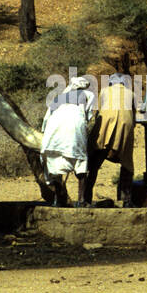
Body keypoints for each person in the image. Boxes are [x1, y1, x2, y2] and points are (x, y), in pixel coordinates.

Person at [40, 75, 96, 207]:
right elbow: (87, 115)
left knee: (55, 163)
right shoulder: (88, 94)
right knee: (80, 162)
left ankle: (58, 200)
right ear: (83, 86)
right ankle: (81, 201)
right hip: (74, 126)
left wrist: (45, 133)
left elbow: (47, 118)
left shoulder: (59, 97)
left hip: (53, 130)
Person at [83, 73, 136, 207]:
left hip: (105, 126)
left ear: (111, 83)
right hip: (125, 126)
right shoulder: (131, 93)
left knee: (94, 161)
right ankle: (127, 200)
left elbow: (99, 112)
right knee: (127, 163)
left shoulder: (104, 91)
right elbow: (135, 115)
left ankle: (86, 198)